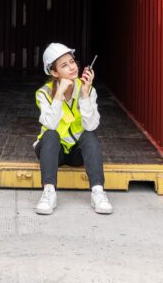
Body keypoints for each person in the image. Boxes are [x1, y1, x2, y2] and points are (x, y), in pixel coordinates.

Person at [33, 42, 112, 215]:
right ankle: (49, 194)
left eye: (72, 62)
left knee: (90, 135)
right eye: (64, 65)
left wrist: (84, 94)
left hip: (77, 152)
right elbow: (51, 124)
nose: (71, 67)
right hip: (54, 151)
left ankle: (98, 192)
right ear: (54, 72)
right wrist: (59, 95)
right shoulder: (44, 93)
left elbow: (91, 125)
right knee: (51, 134)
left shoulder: (87, 88)